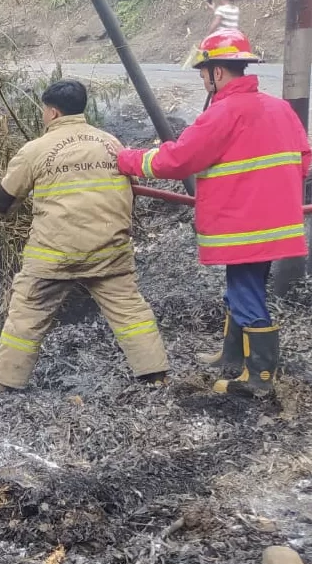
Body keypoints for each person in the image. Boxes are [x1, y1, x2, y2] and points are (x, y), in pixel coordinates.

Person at [116, 29, 309, 396]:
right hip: (275, 224)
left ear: (217, 73)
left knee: (246, 294)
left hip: (243, 226)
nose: (202, 79)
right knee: (242, 288)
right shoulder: (280, 109)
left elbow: (177, 159)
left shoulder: (223, 114)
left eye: (203, 72)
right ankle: (232, 356)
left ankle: (259, 379)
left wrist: (126, 160)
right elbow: (303, 160)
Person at [0, 80, 169, 392]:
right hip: (110, 249)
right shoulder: (111, 142)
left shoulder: (35, 150)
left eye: (44, 110)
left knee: (27, 311)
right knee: (130, 310)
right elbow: (130, 189)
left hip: (54, 255)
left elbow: (3, 204)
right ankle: (156, 376)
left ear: (52, 112)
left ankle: (2, 384)